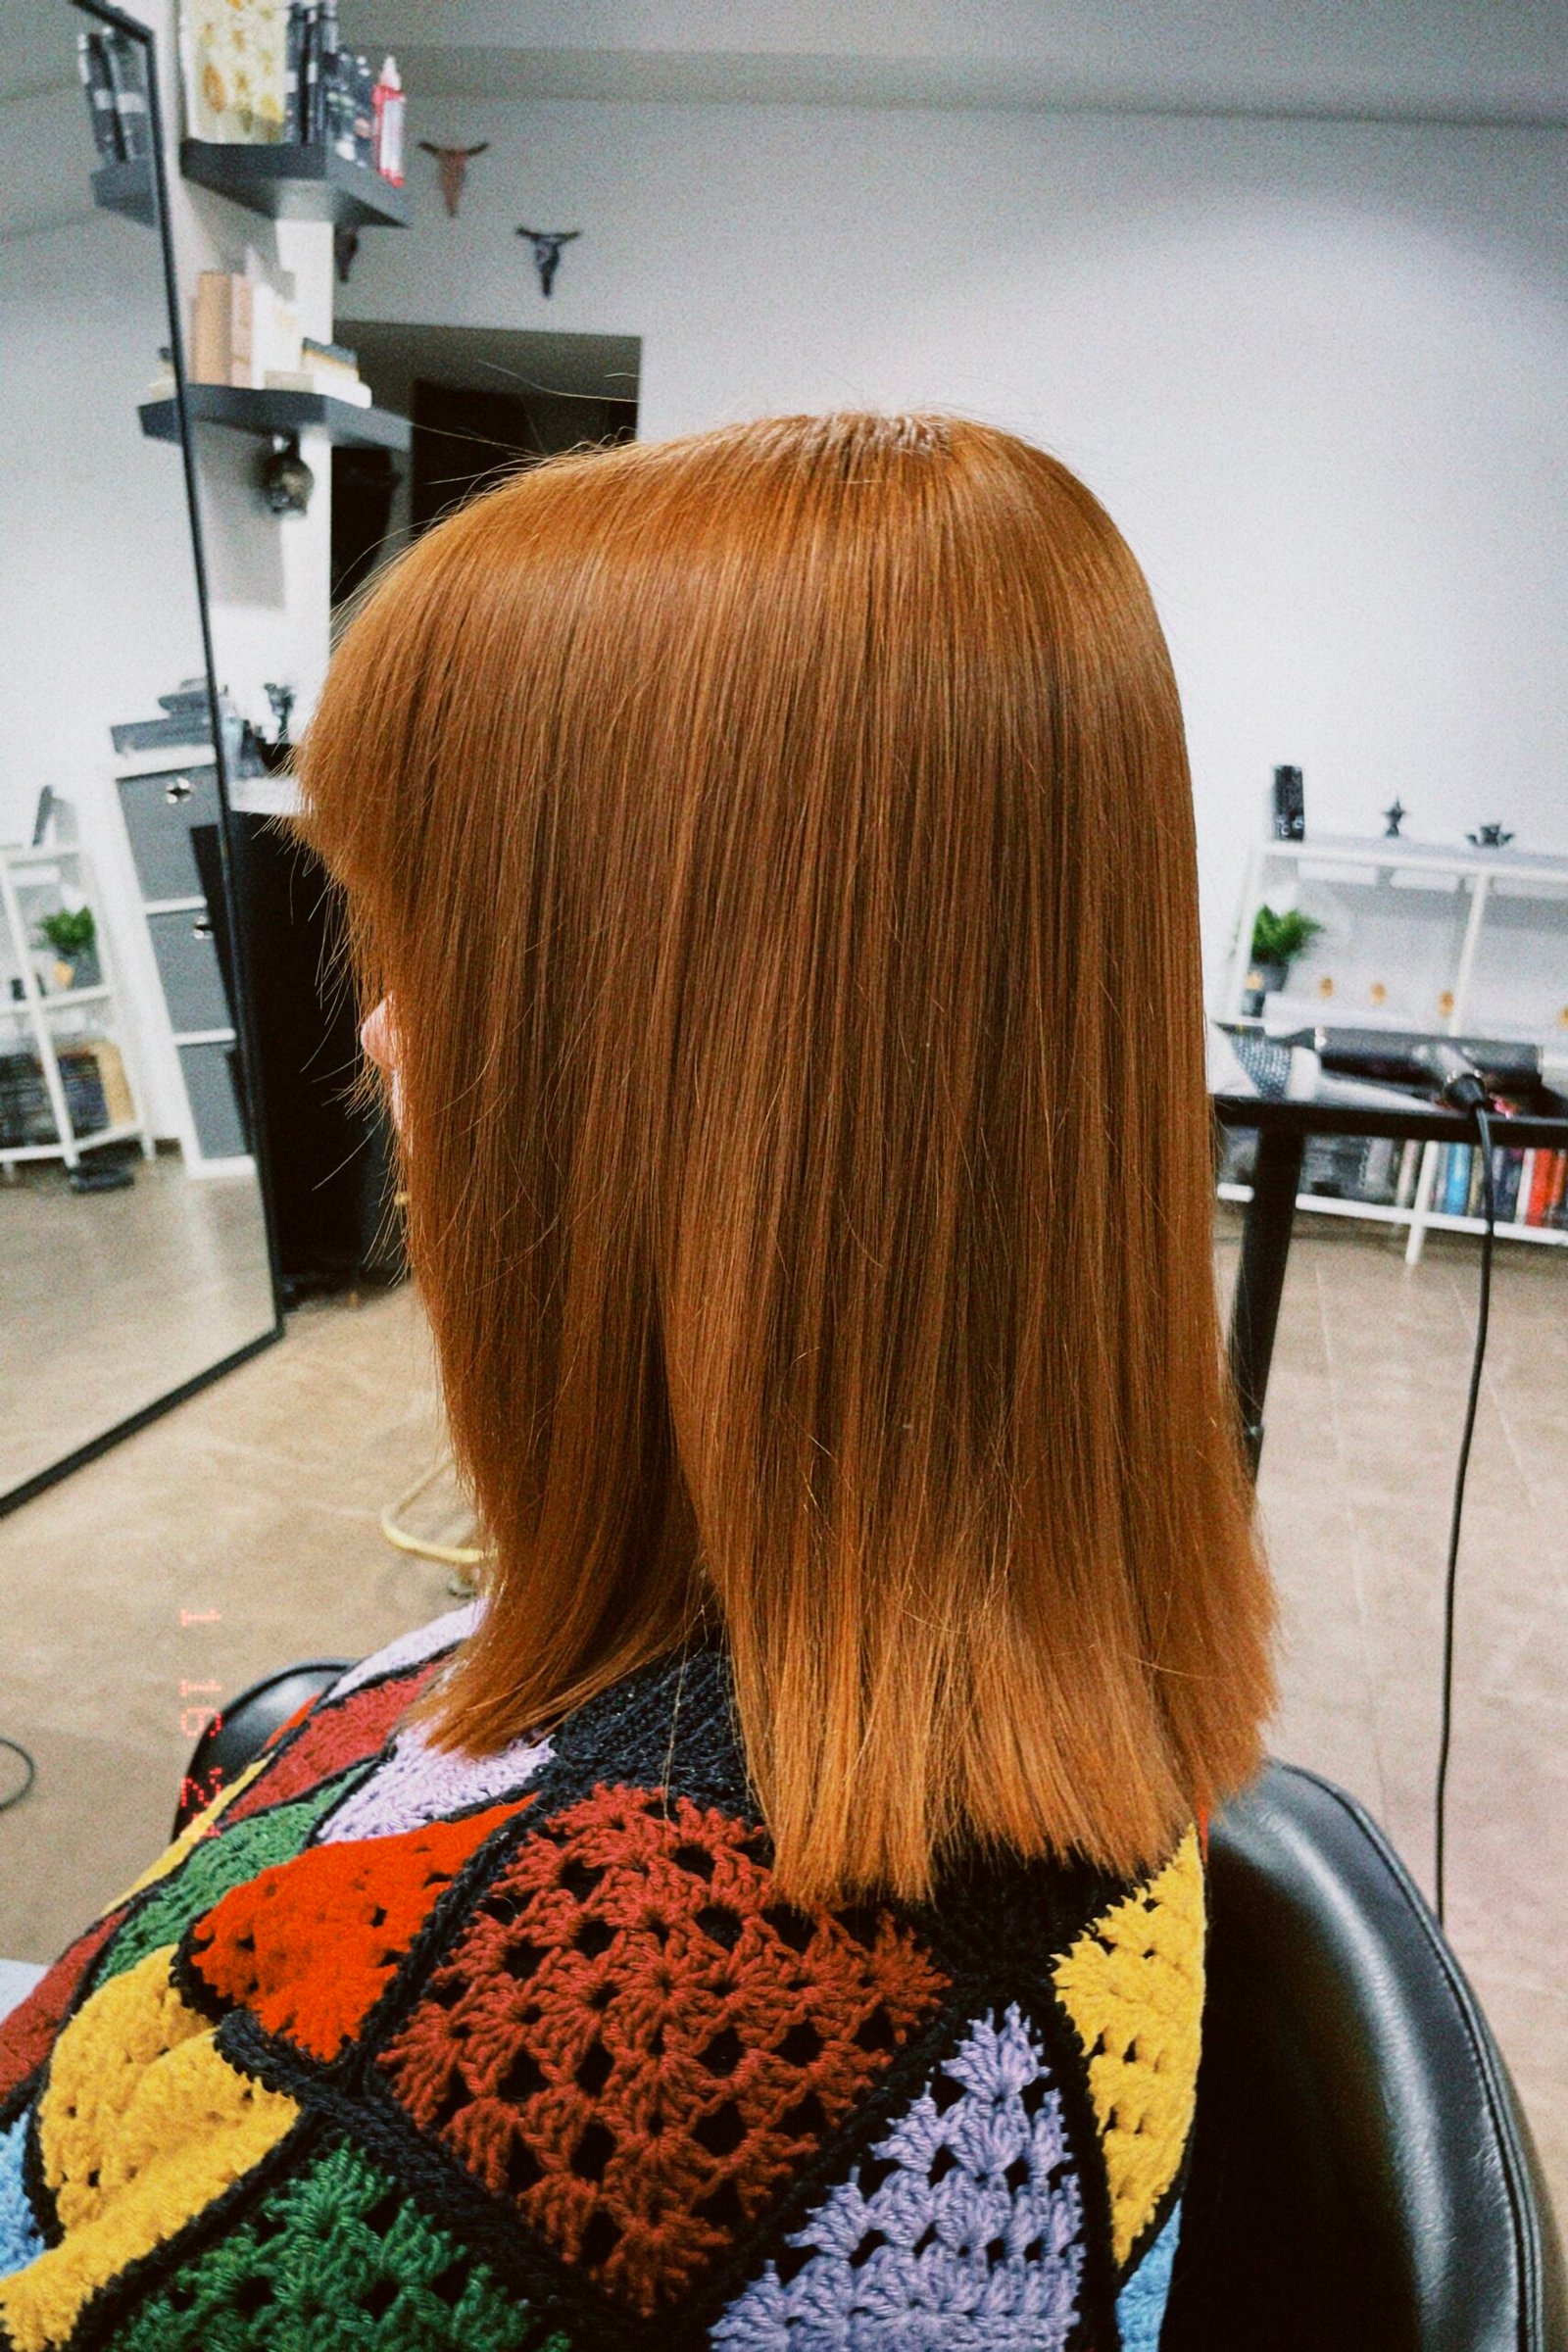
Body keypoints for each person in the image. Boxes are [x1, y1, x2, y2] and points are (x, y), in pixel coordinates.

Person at [0, 413, 1272, 2350]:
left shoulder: (591, 2082)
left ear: (691, 1071)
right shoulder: (983, 1664)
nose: (381, 1033)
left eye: (445, 944)